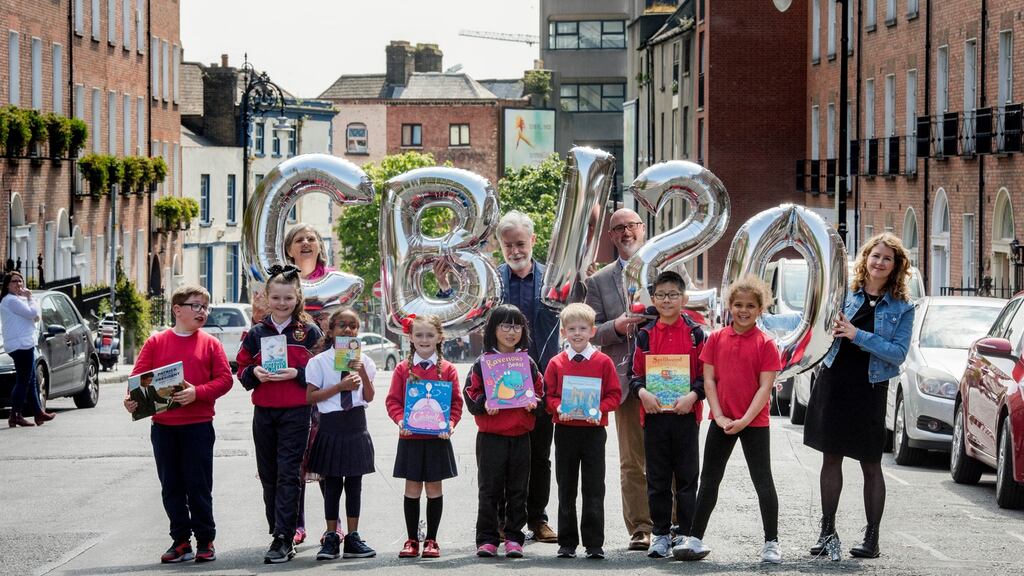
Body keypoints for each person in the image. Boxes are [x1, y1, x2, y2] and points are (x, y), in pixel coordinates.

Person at [803, 232, 915, 559]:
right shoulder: (845, 295)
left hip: (870, 387)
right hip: (835, 380)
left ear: (896, 266)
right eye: (875, 256)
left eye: (887, 258)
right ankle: (827, 532)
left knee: (870, 463)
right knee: (830, 457)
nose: (879, 262)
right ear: (865, 259)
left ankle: (872, 538)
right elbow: (817, 326)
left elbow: (897, 352)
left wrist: (856, 334)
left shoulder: (903, 308)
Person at [675, 275, 784, 563]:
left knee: (763, 481)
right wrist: (720, 416)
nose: (743, 310)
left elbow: (765, 387)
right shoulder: (716, 338)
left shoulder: (766, 344)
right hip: (721, 422)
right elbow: (708, 380)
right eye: (738, 305)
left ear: (760, 309)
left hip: (754, 423)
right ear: (729, 306)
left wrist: (745, 419)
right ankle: (695, 538)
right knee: (709, 479)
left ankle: (771, 542)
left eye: (750, 305)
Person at [123, 285, 234, 563]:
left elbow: (225, 380)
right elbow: (138, 380)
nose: (202, 312)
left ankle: (205, 540)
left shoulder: (210, 343)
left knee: (198, 484)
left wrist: (198, 392)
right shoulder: (156, 342)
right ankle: (180, 540)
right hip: (164, 427)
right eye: (196, 306)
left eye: (205, 307)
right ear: (177, 309)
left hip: (197, 424)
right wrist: (130, 400)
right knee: (171, 485)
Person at [236, 264, 324, 564]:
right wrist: (254, 373)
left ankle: (283, 537)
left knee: (289, 473)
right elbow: (242, 369)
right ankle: (277, 528)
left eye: (288, 298)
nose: (282, 304)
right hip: (264, 412)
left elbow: (323, 370)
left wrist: (297, 373)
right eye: (276, 298)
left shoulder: (309, 332)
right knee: (269, 475)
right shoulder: (256, 333)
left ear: (297, 297)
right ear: (266, 297)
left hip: (297, 413)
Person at [583, 208, 652, 551]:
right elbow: (590, 330)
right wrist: (617, 327)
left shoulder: (667, 266)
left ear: (643, 229)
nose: (626, 233)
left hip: (664, 377)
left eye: (631, 226)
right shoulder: (598, 281)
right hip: (625, 382)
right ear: (611, 236)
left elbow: (685, 314)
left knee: (668, 456)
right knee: (631, 461)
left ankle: (671, 524)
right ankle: (640, 527)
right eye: (618, 228)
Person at [628, 270, 705, 559]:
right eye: (660, 295)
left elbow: (704, 376)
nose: (666, 300)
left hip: (687, 414)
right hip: (655, 415)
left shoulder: (696, 334)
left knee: (687, 478)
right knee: (657, 478)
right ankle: (660, 534)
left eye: (673, 295)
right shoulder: (645, 336)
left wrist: (693, 396)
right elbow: (634, 375)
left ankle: (684, 532)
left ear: (684, 298)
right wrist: (643, 393)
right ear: (654, 299)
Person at [494, 210, 560, 543]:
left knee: (539, 456)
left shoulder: (555, 279)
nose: (515, 251)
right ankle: (506, 521)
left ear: (533, 241)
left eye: (520, 243)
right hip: (501, 385)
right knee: (505, 456)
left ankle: (538, 519)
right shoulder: (492, 279)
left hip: (542, 383)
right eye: (508, 246)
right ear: (500, 246)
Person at [463, 304, 544, 559]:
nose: (511, 332)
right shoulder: (482, 363)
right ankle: (487, 538)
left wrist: (535, 404)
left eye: (517, 326)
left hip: (520, 436)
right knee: (489, 489)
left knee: (518, 490)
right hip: (491, 437)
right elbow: (470, 392)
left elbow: (540, 390)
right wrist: (484, 404)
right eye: (505, 325)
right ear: (493, 329)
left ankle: (514, 537)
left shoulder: (527, 363)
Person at [544, 303, 621, 560]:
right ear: (564, 332)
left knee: (594, 487)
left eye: (583, 328)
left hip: (593, 432)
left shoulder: (603, 362)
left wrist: (599, 409)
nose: (577, 333)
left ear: (592, 331)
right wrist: (559, 408)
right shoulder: (556, 363)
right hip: (565, 431)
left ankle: (594, 543)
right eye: (572, 329)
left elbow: (614, 395)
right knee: (566, 487)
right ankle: (566, 543)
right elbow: (549, 397)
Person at [385, 314, 463, 559]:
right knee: (412, 489)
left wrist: (450, 424)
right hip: (410, 439)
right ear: (410, 338)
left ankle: (432, 540)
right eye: (419, 335)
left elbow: (456, 404)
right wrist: (400, 421)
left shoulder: (448, 369)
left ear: (440, 337)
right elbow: (393, 401)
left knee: (433, 489)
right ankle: (411, 540)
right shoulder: (402, 369)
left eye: (430, 335)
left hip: (437, 439)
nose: (424, 339)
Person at [305, 307, 377, 561]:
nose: (348, 330)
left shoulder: (365, 360)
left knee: (355, 484)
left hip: (356, 424)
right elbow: (311, 397)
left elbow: (368, 396)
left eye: (353, 326)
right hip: (331, 425)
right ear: (332, 330)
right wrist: (340, 386)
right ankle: (332, 535)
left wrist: (362, 373)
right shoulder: (319, 362)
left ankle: (354, 537)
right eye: (342, 326)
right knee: (333, 482)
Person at [1, 271, 54, 427]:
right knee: (24, 381)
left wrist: (31, 303)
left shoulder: (16, 300)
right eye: (14, 281)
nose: (18, 284)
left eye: (20, 281)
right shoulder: (11, 300)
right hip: (21, 345)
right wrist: (30, 297)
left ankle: (38, 414)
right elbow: (33, 313)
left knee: (30, 381)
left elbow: (37, 315)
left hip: (23, 344)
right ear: (7, 285)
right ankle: (14, 415)